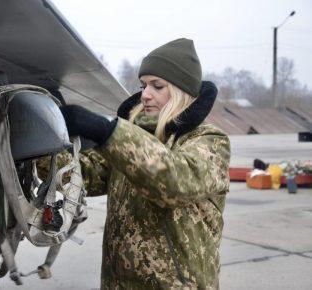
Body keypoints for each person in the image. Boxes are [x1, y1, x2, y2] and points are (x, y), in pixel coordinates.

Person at [49, 38, 230, 289]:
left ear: (181, 91)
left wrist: (106, 131)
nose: (145, 95)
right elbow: (84, 177)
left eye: (157, 86)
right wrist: (44, 147)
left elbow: (175, 183)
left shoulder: (209, 141)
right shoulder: (132, 139)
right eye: (143, 85)